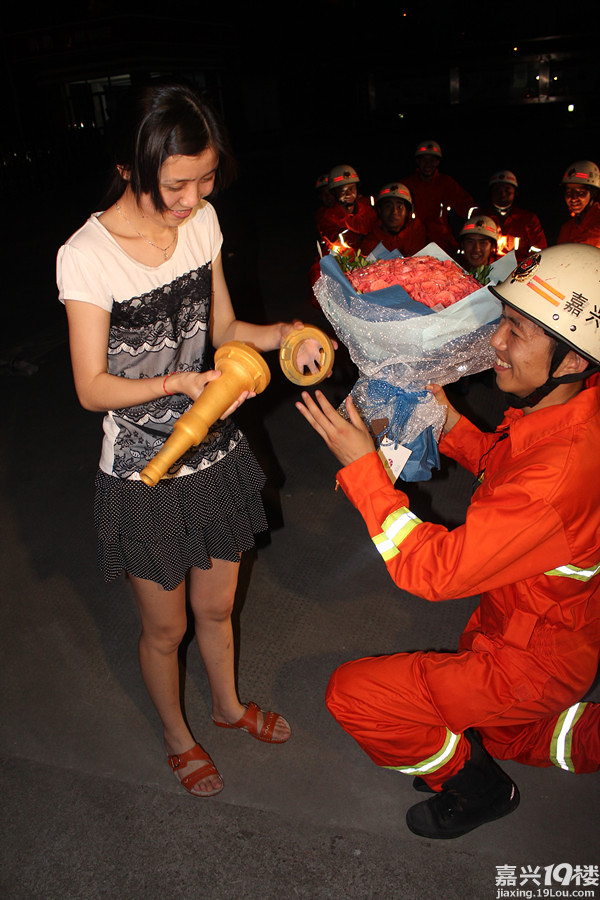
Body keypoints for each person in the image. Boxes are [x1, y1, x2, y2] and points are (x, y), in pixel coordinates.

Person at [56, 79, 307, 799]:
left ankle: (226, 708)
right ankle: (176, 732)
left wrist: (280, 335)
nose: (193, 198)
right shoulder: (87, 254)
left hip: (217, 453)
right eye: (177, 184)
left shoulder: (202, 224)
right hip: (145, 471)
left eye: (204, 179)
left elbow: (225, 329)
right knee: (165, 630)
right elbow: (90, 386)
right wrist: (175, 384)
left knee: (219, 608)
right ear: (129, 168)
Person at [296, 244, 600, 839]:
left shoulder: (560, 470)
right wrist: (448, 418)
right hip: (534, 633)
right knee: (516, 732)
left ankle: (476, 785)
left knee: (357, 697)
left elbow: (434, 571)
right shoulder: (571, 419)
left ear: (568, 362)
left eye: (516, 331)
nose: (496, 344)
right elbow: (506, 467)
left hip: (531, 659)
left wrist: (364, 471)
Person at [402, 140, 473, 255]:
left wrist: (482, 217)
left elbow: (466, 203)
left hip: (440, 240)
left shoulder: (446, 183)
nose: (428, 164)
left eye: (432, 160)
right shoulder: (407, 185)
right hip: (412, 238)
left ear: (438, 162)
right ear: (417, 161)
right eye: (424, 160)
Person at [480, 170, 547, 262]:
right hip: (484, 273)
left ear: (515, 193)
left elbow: (540, 251)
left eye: (507, 190)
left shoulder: (528, 219)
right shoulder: (481, 218)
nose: (502, 194)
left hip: (518, 273)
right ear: (491, 193)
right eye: (497, 190)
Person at [317, 164, 376, 252]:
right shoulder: (328, 217)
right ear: (334, 193)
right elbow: (339, 238)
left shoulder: (367, 209)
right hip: (345, 260)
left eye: (351, 188)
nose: (348, 194)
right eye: (342, 191)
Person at [360, 183, 427, 257]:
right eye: (388, 206)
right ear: (380, 210)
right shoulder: (370, 235)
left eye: (399, 207)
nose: (394, 212)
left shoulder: (415, 229)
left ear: (407, 212)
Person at [557, 160, 600, 248]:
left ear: (593, 194)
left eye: (581, 192)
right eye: (569, 193)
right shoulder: (566, 229)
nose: (573, 198)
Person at [457, 213, 498, 283]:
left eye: (483, 242)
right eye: (470, 241)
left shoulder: (500, 281)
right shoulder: (451, 275)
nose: (476, 248)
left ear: (492, 247)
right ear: (463, 244)